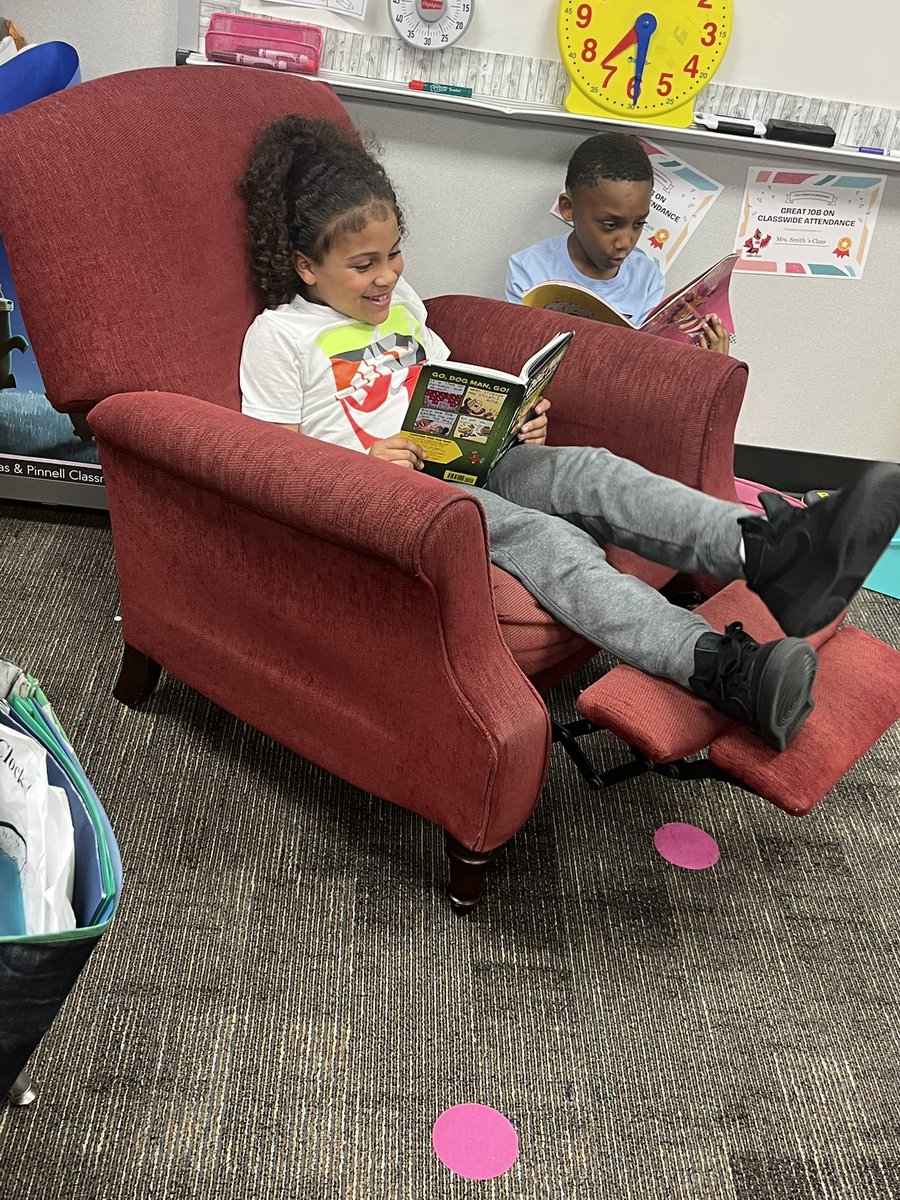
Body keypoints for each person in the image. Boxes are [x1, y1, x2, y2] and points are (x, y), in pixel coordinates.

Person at [239, 116, 900, 752]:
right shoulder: (280, 336)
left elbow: (443, 379)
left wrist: (510, 411)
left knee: (592, 470)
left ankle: (779, 553)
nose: (386, 276)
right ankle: (721, 670)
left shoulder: (402, 302)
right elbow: (269, 465)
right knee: (548, 535)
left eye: (394, 254)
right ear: (304, 266)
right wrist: (365, 460)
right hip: (393, 497)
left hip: (466, 457)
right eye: (363, 265)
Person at [505, 132, 730, 353]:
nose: (624, 243)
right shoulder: (528, 269)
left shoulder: (647, 279)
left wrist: (707, 361)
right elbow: (519, 353)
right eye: (610, 225)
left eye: (638, 224)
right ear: (568, 208)